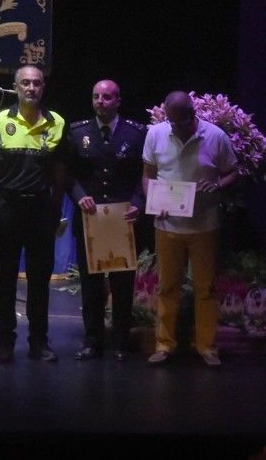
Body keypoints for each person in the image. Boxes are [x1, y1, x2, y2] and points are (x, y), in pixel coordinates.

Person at [144, 91, 240, 367]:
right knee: (167, 287)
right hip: (167, 224)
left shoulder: (215, 136)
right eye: (171, 121)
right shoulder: (157, 134)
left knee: (205, 288)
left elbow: (233, 171)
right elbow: (148, 174)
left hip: (204, 225)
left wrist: (219, 184)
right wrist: (153, 202)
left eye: (181, 121)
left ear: (192, 113)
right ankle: (164, 344)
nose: (175, 126)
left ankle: (207, 346)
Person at [0, 65, 69, 363]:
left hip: (40, 210)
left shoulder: (57, 122)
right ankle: (6, 341)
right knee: (5, 280)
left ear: (43, 87)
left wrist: (55, 209)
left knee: (39, 281)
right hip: (6, 210)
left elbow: (60, 173)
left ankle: (39, 341)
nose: (31, 88)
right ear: (15, 86)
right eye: (25, 83)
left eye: (36, 83)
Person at [65, 79, 147, 361]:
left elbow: (145, 176)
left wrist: (139, 202)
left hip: (123, 219)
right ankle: (93, 341)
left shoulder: (136, 133)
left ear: (118, 100)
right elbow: (68, 174)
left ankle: (121, 341)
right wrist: (78, 196)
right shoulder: (78, 132)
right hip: (91, 220)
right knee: (91, 285)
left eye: (107, 97)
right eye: (96, 96)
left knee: (123, 285)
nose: (101, 101)